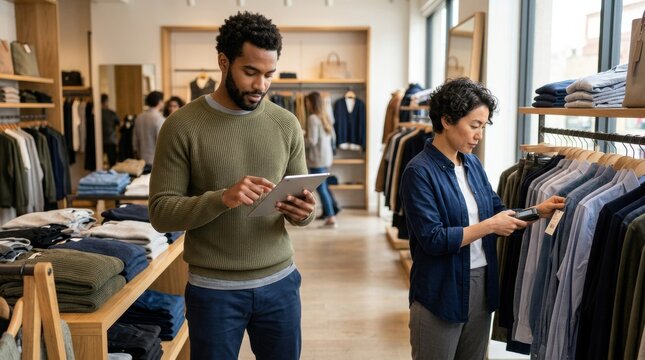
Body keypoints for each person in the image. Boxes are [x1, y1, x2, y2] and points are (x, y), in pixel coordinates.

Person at [148, 11, 316, 360]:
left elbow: (300, 201)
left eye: (269, 74)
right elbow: (161, 213)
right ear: (223, 62)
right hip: (213, 291)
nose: (261, 85)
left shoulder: (286, 124)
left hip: (281, 284)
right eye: (251, 72)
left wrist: (304, 212)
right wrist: (222, 198)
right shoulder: (181, 126)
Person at [399, 78, 565, 360]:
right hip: (441, 288)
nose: (479, 135)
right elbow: (433, 239)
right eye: (474, 126)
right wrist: (489, 226)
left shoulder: (471, 163)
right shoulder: (419, 172)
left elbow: (497, 210)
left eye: (483, 127)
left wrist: (538, 210)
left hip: (481, 283)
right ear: (447, 120)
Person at [305, 91, 339, 228]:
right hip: (326, 157)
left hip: (317, 158)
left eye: (307, 102)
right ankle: (330, 212)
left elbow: (311, 141)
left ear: (311, 103)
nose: (306, 104)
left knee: (321, 189)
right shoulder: (324, 117)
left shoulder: (313, 118)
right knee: (324, 186)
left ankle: (331, 217)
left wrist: (299, 138)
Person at [133, 90, 164, 165]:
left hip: (141, 159)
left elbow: (134, 139)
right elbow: (161, 142)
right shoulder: (160, 119)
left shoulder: (139, 117)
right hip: (155, 160)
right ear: (159, 102)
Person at [100, 93, 120, 167]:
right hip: (110, 140)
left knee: (99, 163)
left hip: (99, 141)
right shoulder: (111, 113)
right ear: (106, 101)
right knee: (112, 164)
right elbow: (119, 123)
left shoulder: (96, 113)